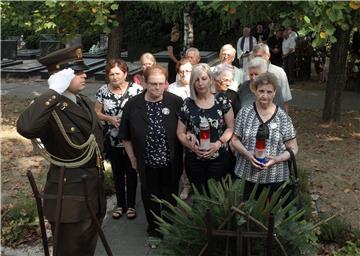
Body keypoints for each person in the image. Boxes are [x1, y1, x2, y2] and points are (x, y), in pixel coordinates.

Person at [16, 44, 106, 256]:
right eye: (77, 72)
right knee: (69, 251)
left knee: (87, 249)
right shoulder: (50, 109)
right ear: (60, 76)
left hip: (93, 191)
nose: (85, 74)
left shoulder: (83, 101)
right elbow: (26, 127)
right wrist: (53, 91)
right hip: (69, 197)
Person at [119, 64, 183, 245]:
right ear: (145, 83)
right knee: (150, 197)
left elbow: (185, 130)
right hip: (146, 162)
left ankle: (170, 228)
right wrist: (132, 159)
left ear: (166, 84)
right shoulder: (133, 105)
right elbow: (125, 136)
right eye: (153, 83)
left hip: (171, 162)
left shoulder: (176, 102)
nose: (157, 88)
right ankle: (154, 230)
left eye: (161, 84)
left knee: (170, 196)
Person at [231, 72, 298, 201]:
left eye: (269, 92)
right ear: (255, 90)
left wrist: (277, 159)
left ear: (275, 92)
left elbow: (293, 148)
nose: (265, 95)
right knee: (245, 214)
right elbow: (234, 140)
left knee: (271, 217)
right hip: (246, 174)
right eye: (261, 91)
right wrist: (247, 153)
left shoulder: (283, 118)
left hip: (275, 176)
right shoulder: (244, 113)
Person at [95, 59, 143, 220]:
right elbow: (97, 113)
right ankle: (120, 204)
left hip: (132, 139)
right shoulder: (103, 91)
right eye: (111, 74)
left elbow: (143, 111)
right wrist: (109, 119)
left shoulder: (136, 90)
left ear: (125, 74)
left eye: (117, 74)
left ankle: (130, 205)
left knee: (131, 172)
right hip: (112, 139)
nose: (114, 77)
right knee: (117, 172)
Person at [177, 63, 234, 194]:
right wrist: (192, 147)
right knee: (200, 196)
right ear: (192, 83)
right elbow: (180, 132)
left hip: (219, 157)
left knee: (217, 196)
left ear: (211, 80)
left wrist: (218, 144)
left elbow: (230, 128)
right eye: (196, 79)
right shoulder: (187, 103)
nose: (200, 83)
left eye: (204, 78)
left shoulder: (222, 99)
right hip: (195, 159)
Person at [167, 57, 193, 200]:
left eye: (188, 71)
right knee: (182, 159)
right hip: (178, 129)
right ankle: (186, 186)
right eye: (181, 72)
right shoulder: (172, 88)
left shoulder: (198, 85)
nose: (184, 75)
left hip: (197, 130)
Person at [252, 43, 292, 112]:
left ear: (268, 56)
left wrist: (286, 119)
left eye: (260, 56)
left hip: (275, 116)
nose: (257, 59)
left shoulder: (279, 72)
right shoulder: (250, 74)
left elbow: (285, 99)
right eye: (255, 57)